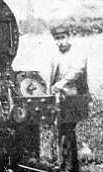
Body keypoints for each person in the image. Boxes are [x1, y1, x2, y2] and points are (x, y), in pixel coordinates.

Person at [48, 25, 89, 172]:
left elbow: (78, 70)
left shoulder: (78, 53)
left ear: (69, 37)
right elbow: (51, 79)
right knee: (61, 131)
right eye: (57, 39)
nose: (60, 42)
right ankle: (64, 164)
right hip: (60, 100)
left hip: (76, 98)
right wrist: (50, 97)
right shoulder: (55, 56)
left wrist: (63, 82)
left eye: (62, 38)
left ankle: (69, 166)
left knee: (68, 131)